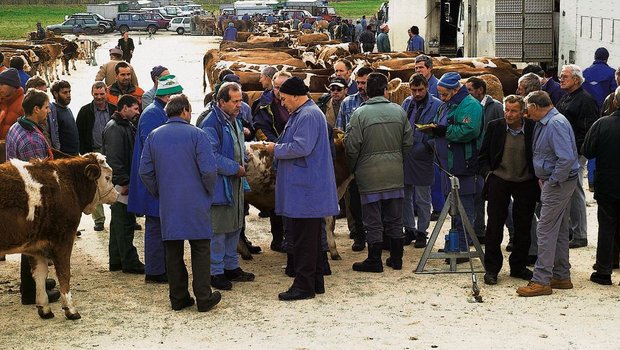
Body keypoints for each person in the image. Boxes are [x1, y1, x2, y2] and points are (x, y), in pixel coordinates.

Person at [139, 93, 222, 311]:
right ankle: (204, 297)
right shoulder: (198, 135)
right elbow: (209, 170)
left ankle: (178, 297)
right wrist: (207, 192)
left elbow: (145, 171)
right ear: (185, 111)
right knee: (201, 248)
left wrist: (160, 192)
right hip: (196, 201)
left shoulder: (154, 136)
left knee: (173, 251)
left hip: (169, 202)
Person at [264, 76, 338, 300]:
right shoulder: (308, 112)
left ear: (296, 96)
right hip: (308, 187)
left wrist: (274, 149)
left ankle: (303, 286)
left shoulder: (307, 115)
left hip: (306, 189)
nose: (283, 103)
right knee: (311, 238)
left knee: (304, 239)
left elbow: (300, 146)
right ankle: (315, 281)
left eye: (285, 98)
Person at [345, 72, 413, 272]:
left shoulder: (359, 114)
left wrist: (355, 167)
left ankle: (374, 260)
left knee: (372, 219)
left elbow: (352, 146)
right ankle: (396, 258)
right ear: (385, 90)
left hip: (369, 174)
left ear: (367, 91)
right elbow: (408, 141)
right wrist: (398, 159)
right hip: (394, 173)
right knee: (395, 217)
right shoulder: (399, 111)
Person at [516, 91, 579, 297]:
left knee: (545, 230)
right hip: (558, 181)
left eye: (527, 108)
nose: (526, 113)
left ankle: (541, 280)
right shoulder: (551, 122)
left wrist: (552, 181)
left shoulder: (554, 124)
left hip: (558, 183)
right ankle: (561, 275)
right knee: (558, 229)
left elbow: (566, 158)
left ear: (534, 106)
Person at [5, 88, 60, 305]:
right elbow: (38, 178)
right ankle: (30, 290)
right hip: (31, 199)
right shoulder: (31, 141)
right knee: (33, 243)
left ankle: (37, 280)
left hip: (17, 193)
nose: (48, 111)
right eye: (46, 107)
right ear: (36, 109)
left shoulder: (17, 127)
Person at [478, 95, 539, 285]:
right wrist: (489, 174)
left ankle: (518, 266)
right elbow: (483, 156)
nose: (509, 114)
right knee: (494, 226)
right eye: (507, 109)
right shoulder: (495, 126)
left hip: (525, 181)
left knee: (523, 225)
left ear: (523, 112)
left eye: (513, 110)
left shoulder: (532, 128)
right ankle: (492, 269)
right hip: (500, 179)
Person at [129, 75, 183, 284]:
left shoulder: (157, 111)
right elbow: (154, 149)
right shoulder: (153, 114)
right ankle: (154, 270)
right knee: (155, 224)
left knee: (159, 224)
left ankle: (159, 267)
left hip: (156, 179)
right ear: (168, 95)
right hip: (153, 181)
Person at [201, 82, 255, 291]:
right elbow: (210, 157)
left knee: (234, 225)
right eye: (235, 101)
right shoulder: (210, 123)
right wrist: (235, 168)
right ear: (221, 101)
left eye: (240, 100)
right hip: (220, 184)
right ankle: (216, 272)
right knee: (218, 229)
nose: (239, 105)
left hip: (235, 182)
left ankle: (231, 266)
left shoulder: (234, 120)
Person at [431, 72, 484, 258]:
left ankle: (462, 248)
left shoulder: (471, 105)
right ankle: (454, 243)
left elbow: (469, 130)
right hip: (447, 168)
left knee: (464, 209)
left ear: (455, 90)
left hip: (463, 166)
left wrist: (444, 131)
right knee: (453, 209)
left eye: (444, 94)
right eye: (439, 94)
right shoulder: (447, 105)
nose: (441, 98)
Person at [556, 64, 600, 249]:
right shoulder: (567, 97)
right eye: (561, 76)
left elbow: (588, 129)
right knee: (568, 191)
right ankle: (572, 231)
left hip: (575, 152)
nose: (561, 79)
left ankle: (581, 234)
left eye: (565, 76)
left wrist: (578, 152)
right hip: (565, 152)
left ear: (576, 79)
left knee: (575, 191)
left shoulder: (585, 100)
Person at [102, 94, 145, 275]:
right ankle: (129, 261)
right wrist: (124, 181)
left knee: (118, 223)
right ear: (124, 108)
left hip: (122, 181)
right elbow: (114, 158)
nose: (137, 112)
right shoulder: (115, 129)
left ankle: (117, 260)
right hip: (121, 184)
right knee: (124, 222)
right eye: (135, 108)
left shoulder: (124, 125)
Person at [582, 86, 620, 285]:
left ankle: (604, 271)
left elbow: (587, 151)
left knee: (606, 228)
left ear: (614, 102)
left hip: (608, 185)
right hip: (609, 184)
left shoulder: (602, 124)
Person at [401, 73, 441, 248]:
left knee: (423, 198)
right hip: (406, 156)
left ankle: (422, 232)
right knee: (405, 196)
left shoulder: (437, 105)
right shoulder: (406, 103)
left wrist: (426, 146)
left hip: (423, 157)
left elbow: (440, 130)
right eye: (414, 90)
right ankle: (409, 228)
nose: (417, 94)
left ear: (426, 88)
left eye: (420, 90)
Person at [336, 66, 374, 251]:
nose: (360, 86)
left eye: (364, 83)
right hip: (354, 161)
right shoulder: (347, 103)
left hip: (374, 160)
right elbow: (340, 131)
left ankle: (376, 236)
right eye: (358, 82)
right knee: (355, 201)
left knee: (374, 201)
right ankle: (358, 235)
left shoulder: (381, 104)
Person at [465, 76, 504, 243]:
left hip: (493, 160)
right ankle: (479, 232)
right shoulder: (471, 107)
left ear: (480, 90)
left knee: (501, 200)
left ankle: (512, 235)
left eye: (470, 90)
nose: (467, 94)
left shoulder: (495, 107)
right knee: (478, 196)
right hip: (478, 159)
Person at [76, 81, 116, 231]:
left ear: (107, 93)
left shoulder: (113, 109)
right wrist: (84, 154)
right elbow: (79, 133)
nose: (99, 97)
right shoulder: (84, 111)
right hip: (93, 153)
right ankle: (99, 219)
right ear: (92, 93)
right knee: (95, 185)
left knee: (114, 182)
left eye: (102, 94)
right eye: (96, 94)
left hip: (111, 152)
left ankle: (117, 214)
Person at [49, 80, 79, 155]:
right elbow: (54, 136)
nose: (68, 95)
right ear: (56, 94)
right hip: (64, 157)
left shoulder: (67, 109)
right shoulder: (54, 111)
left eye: (69, 92)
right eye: (65, 92)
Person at [0, 68, 24, 139]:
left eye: (2, 84)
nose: (0, 87)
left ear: (13, 86)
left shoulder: (24, 104)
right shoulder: (2, 102)